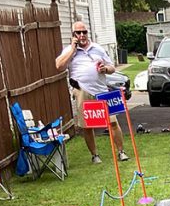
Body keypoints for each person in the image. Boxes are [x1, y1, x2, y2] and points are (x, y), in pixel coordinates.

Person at [54, 22, 128, 164]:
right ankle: (95, 155)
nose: (82, 35)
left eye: (84, 32)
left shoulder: (97, 48)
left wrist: (105, 69)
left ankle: (121, 152)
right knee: (87, 126)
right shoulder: (69, 51)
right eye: (78, 32)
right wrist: (72, 50)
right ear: (73, 35)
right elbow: (59, 66)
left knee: (112, 122)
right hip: (82, 91)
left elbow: (112, 67)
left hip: (101, 91)